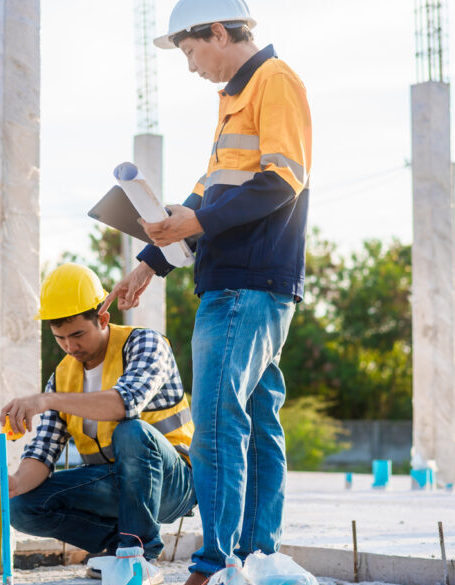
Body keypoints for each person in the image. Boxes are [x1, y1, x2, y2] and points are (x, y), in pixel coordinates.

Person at [101, 1, 312, 583]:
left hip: (248, 282)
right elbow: (208, 194)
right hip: (243, 282)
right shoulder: (234, 100)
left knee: (217, 422)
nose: (192, 66)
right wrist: (150, 262)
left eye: (192, 52)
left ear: (219, 32)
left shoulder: (274, 81)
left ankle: (216, 561)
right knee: (257, 422)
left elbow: (282, 182)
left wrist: (194, 221)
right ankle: (257, 557)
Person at [0, 263, 195, 583]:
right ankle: (117, 547)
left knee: (132, 430)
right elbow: (43, 452)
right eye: (60, 338)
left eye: (78, 334)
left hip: (173, 483)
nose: (70, 347)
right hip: (114, 483)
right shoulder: (63, 376)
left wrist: (47, 400)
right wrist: (14, 484)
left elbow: (125, 404)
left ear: (103, 319)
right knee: (21, 506)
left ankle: (139, 555)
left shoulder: (145, 344)